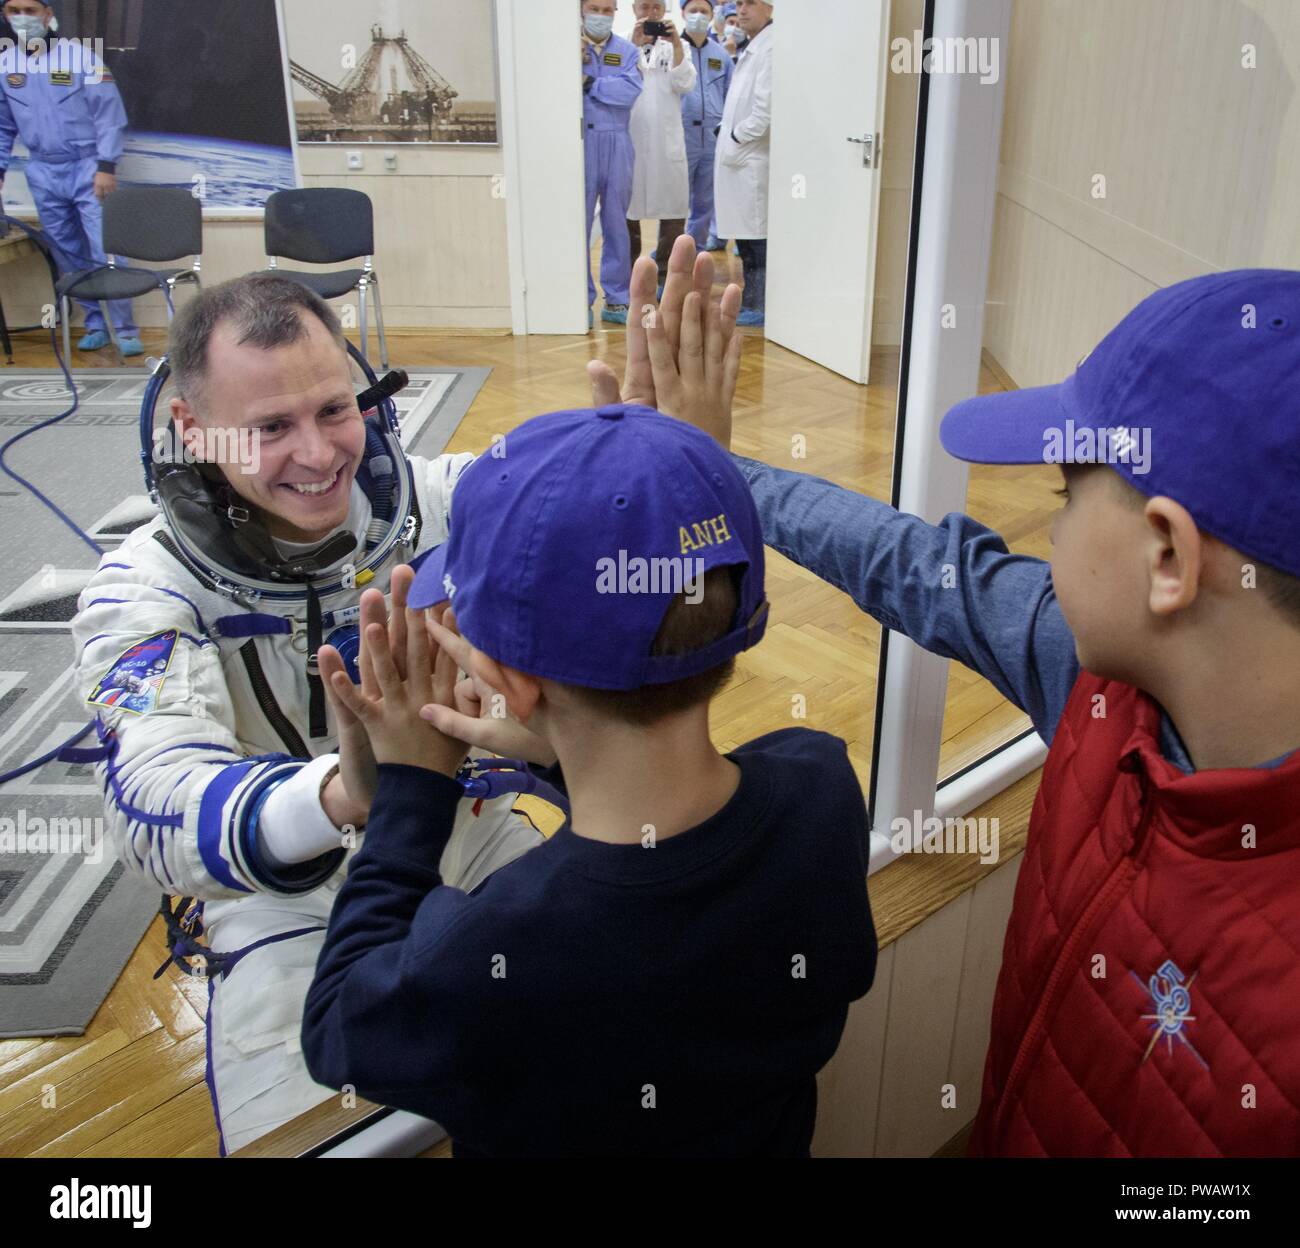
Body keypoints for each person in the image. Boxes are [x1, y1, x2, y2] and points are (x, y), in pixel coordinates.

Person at [677, 256, 1300, 1156]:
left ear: (1168, 557)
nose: (1047, 532)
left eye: (1065, 494)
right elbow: (914, 566)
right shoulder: (1101, 680)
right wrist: (722, 472)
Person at [300, 250, 878, 1158]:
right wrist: (553, 753)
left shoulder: (491, 948)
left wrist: (409, 794)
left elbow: (338, 1025)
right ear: (749, 622)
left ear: (515, 685)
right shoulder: (822, 787)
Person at [70, 274, 542, 1154]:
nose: (320, 454)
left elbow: (575, 505)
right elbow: (148, 803)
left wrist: (662, 452)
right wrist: (340, 794)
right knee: (324, 1135)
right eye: (269, 429)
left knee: (602, 1054)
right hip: (287, 904)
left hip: (476, 841)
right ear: (193, 431)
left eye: (334, 409)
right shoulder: (143, 587)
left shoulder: (443, 503)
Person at [0, 0, 141, 355]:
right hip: (43, 169)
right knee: (66, 250)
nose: (22, 17)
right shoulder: (5, 63)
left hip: (88, 166)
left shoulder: (82, 58)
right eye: (14, 9)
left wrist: (106, 166)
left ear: (48, 14)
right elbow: (3, 126)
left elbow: (109, 114)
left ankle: (124, 329)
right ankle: (94, 322)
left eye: (30, 10)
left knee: (104, 247)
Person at [625, 2, 694, 298]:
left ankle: (668, 276)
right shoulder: (625, 46)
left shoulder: (677, 46)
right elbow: (621, 79)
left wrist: (676, 44)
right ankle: (632, 277)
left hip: (667, 142)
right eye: (644, 6)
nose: (650, 13)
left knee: (673, 210)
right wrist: (633, 44)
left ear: (665, 9)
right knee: (627, 210)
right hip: (632, 140)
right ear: (633, 8)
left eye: (656, 7)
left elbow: (685, 82)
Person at [581, 0, 642, 326]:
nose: (600, 16)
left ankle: (617, 299)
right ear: (580, 9)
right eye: (594, 8)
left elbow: (630, 92)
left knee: (617, 221)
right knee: (578, 224)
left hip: (618, 140)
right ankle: (579, 297)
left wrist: (590, 83)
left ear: (616, 12)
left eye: (607, 10)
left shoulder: (627, 51)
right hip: (581, 143)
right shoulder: (568, 47)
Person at [714, 0, 773, 327]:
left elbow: (764, 112)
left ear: (769, 8)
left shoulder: (771, 48)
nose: (743, 10)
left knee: (756, 238)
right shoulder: (754, 46)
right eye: (740, 4)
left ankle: (759, 302)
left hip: (752, 157)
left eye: (752, 3)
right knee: (747, 237)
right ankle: (753, 298)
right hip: (742, 155)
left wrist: (736, 137)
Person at [679, 0, 732, 253]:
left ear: (712, 16)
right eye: (693, 11)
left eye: (704, 11)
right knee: (675, 202)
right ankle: (671, 256)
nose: (698, 15)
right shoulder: (672, 49)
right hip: (681, 134)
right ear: (682, 13)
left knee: (705, 200)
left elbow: (731, 94)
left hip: (711, 136)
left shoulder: (720, 54)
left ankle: (696, 251)